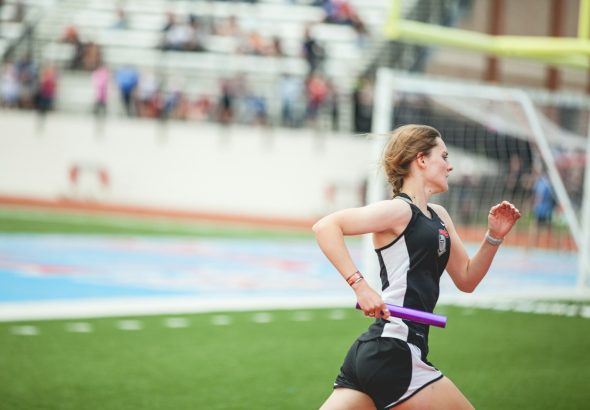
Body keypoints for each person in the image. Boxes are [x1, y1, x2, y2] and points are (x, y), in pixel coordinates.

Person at [313, 124, 521, 409]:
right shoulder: (398, 210)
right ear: (421, 160)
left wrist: (493, 237)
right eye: (444, 156)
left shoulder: (440, 216)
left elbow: (467, 279)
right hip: (395, 349)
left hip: (378, 350)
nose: (450, 166)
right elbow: (326, 227)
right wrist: (360, 286)